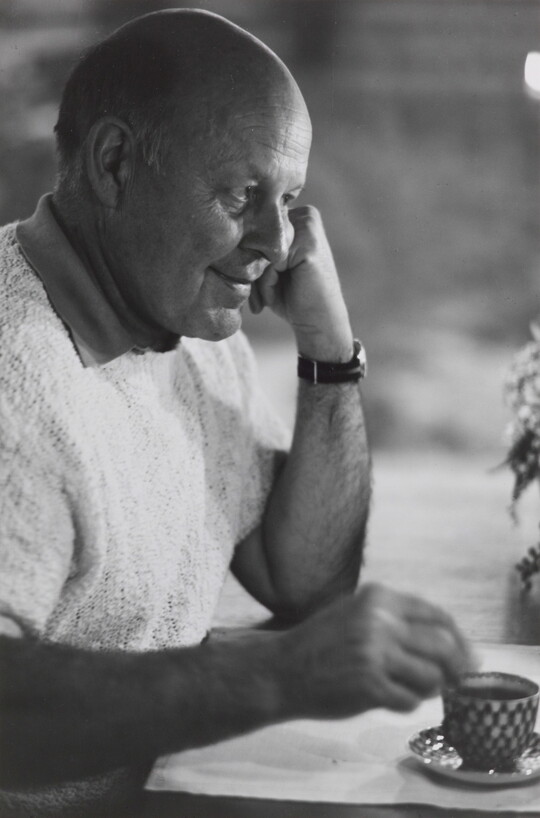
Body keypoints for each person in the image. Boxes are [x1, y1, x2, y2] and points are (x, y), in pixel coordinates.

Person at [0, 9, 474, 817]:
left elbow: (304, 580)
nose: (277, 241)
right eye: (241, 194)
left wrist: (329, 352)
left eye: (289, 199)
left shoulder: (188, 328)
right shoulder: (17, 379)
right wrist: (277, 674)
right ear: (114, 164)